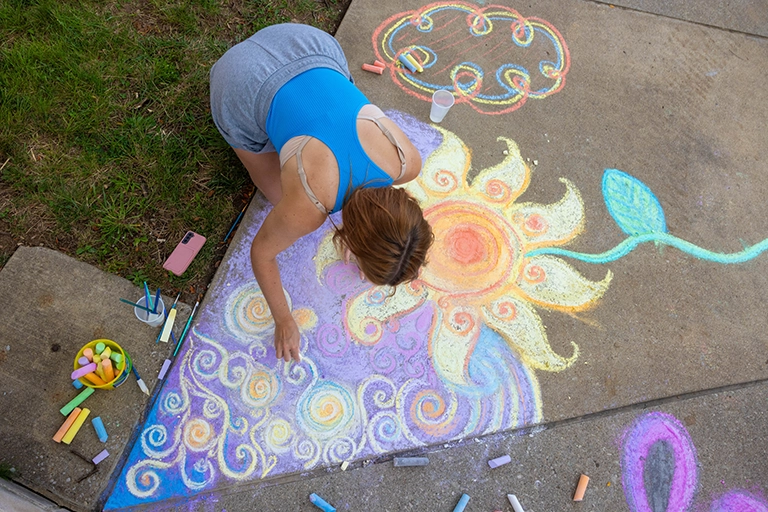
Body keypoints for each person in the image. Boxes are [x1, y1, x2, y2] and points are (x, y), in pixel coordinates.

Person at [210, 23, 433, 363]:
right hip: (240, 77)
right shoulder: (310, 206)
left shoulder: (407, 162)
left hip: (303, 42)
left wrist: (382, 245)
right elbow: (262, 253)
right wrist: (284, 320)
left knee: (330, 110)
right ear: (351, 241)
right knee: (273, 188)